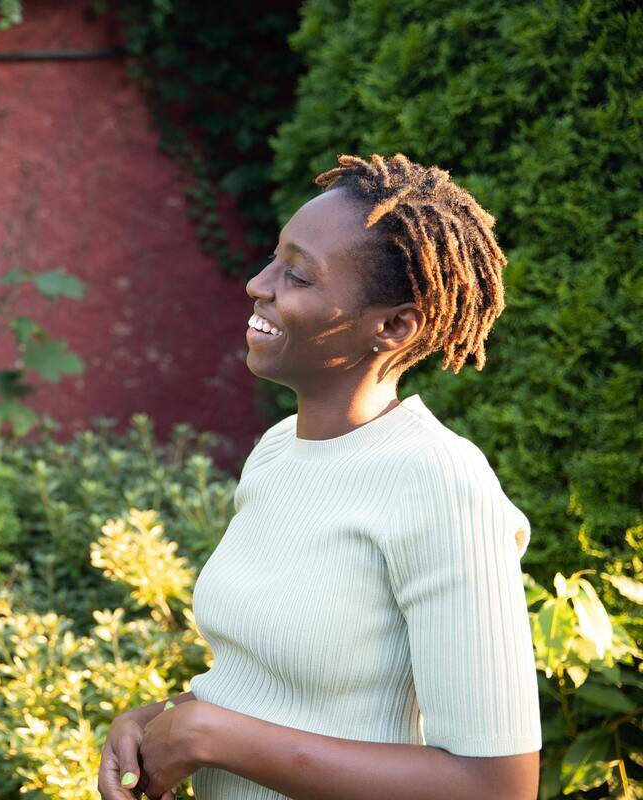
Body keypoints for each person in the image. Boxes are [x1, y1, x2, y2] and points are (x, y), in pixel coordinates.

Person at [98, 154, 541, 800]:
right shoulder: (279, 452)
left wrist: (210, 736)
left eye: (298, 276)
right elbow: (281, 687)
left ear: (392, 327)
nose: (259, 283)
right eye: (275, 259)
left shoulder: (442, 482)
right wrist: (163, 720)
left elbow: (496, 786)